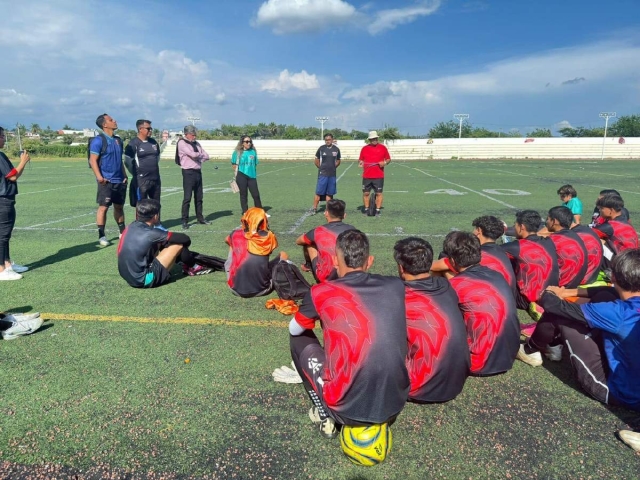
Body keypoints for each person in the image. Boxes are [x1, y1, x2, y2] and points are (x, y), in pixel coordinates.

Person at [289, 229, 409, 438]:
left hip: (344, 409)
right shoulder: (395, 285)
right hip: (394, 404)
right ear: (369, 261)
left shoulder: (320, 292)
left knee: (297, 337)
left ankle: (324, 412)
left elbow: (295, 328)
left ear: (335, 261)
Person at [516, 248, 640, 414]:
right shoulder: (625, 304)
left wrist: (548, 292)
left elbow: (553, 305)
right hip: (633, 381)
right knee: (604, 296)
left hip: (617, 391)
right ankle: (552, 344)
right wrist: (566, 292)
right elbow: (608, 291)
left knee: (560, 316)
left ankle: (529, 350)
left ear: (613, 277)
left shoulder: (617, 312)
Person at [393, 237, 470, 402]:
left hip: (419, 387)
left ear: (401, 267)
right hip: (457, 382)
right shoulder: (446, 286)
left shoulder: (397, 295)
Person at [442, 232, 520, 376]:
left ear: (452, 261)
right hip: (508, 357)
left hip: (478, 362)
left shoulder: (455, 286)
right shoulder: (497, 275)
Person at [118, 199, 204, 288]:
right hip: (144, 280)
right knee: (177, 245)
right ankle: (193, 267)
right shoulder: (152, 233)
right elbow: (185, 239)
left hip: (128, 277)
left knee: (159, 242)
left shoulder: (130, 226)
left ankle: (184, 264)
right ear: (156, 216)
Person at [431, 215, 517, 296]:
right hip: (507, 297)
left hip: (485, 296)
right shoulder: (502, 251)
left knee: (444, 260)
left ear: (479, 230)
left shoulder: (475, 253)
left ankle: (437, 297)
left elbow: (433, 266)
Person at [500, 210, 559, 316]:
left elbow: (489, 252)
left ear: (522, 227)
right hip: (551, 293)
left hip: (527, 300)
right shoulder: (548, 242)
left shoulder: (516, 246)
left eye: (515, 225)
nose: (514, 228)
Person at [225, 207, 285, 298]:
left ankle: (235, 275)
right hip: (262, 290)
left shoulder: (235, 234)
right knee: (283, 255)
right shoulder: (269, 236)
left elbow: (227, 240)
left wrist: (238, 246)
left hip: (234, 288)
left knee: (232, 243)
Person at [88, 113, 128, 247]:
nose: (114, 121)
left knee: (119, 207)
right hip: (106, 181)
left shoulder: (118, 140)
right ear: (105, 124)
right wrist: (99, 177)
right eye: (111, 120)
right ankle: (102, 235)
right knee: (103, 208)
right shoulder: (98, 141)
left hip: (119, 180)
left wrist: (124, 175)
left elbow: (120, 161)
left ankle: (122, 232)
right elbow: (92, 160)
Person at [296, 199, 355, 283]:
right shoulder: (352, 230)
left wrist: (306, 235)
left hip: (325, 277)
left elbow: (298, 241)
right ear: (344, 215)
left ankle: (308, 265)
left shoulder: (318, 231)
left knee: (309, 242)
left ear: (326, 213)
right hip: (348, 275)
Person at [0, 127, 30, 280]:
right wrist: (23, 161)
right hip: (2, 199)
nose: (4, 139)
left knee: (6, 234)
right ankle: (1, 270)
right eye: (2, 136)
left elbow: (14, 175)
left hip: (6, 198)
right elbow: (12, 177)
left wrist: (22, 164)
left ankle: (7, 264)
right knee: (2, 235)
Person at [124, 119, 165, 229]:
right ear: (140, 129)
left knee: (156, 203)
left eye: (151, 128)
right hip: (141, 180)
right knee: (141, 205)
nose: (150, 130)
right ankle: (140, 226)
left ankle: (157, 224)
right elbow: (127, 161)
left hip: (155, 178)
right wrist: (138, 173)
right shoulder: (133, 144)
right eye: (148, 128)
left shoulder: (153, 142)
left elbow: (157, 158)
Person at [545, 206, 588, 288]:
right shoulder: (574, 236)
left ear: (554, 221)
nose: (546, 222)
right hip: (576, 283)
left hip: (562, 286)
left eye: (548, 219)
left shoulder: (554, 240)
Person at [177, 125, 210, 230]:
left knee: (199, 197)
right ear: (187, 134)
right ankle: (185, 220)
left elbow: (206, 156)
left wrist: (198, 155)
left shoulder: (197, 143)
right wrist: (199, 155)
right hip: (188, 172)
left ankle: (200, 218)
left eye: (195, 134)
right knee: (187, 198)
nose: (194, 136)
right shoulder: (182, 143)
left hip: (197, 171)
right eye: (192, 134)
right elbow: (193, 154)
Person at [592, 194, 638, 264]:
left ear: (611, 210)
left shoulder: (610, 226)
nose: (599, 210)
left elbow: (587, 234)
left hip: (622, 263)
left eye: (601, 208)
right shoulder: (623, 219)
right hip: (633, 259)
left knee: (594, 240)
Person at [359, 131, 391, 216]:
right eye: (372, 139)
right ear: (369, 140)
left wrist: (384, 163)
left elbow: (388, 159)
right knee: (366, 193)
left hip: (378, 175)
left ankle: (377, 210)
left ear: (377, 138)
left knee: (379, 193)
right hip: (367, 175)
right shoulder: (364, 148)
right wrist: (361, 162)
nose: (374, 140)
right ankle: (366, 209)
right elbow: (361, 159)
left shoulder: (383, 148)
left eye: (375, 138)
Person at [310, 133, 341, 215]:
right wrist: (321, 168)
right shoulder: (321, 148)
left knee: (329, 193)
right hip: (323, 174)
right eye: (326, 140)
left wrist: (333, 167)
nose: (328, 141)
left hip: (332, 175)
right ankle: (314, 208)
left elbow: (338, 160)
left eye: (329, 139)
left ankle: (327, 210)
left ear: (332, 139)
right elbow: (316, 160)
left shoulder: (336, 149)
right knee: (318, 192)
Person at [231, 135, 262, 215]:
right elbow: (234, 165)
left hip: (252, 176)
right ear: (242, 143)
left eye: (250, 141)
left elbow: (255, 164)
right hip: (241, 175)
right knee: (243, 194)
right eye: (247, 142)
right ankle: (245, 211)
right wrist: (237, 175)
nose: (249, 143)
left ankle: (260, 212)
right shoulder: (237, 153)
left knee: (256, 195)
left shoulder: (253, 152)